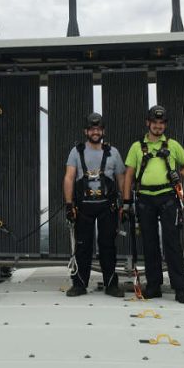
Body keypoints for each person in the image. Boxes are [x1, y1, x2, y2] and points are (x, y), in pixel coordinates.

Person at [122, 105, 184, 304]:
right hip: (144, 199)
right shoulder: (137, 147)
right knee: (150, 244)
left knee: (172, 243)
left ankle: (180, 288)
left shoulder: (173, 145)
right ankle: (154, 286)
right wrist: (126, 202)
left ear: (165, 125)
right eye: (155, 122)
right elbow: (128, 174)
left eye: (162, 123)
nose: (158, 126)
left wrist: (179, 174)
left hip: (168, 197)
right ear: (148, 123)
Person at [63, 112, 126, 297]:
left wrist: (125, 203)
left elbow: (121, 178)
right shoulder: (76, 151)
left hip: (108, 207)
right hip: (83, 207)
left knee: (108, 245)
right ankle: (79, 284)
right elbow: (69, 177)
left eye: (98, 129)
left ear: (103, 131)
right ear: (86, 131)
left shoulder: (113, 152)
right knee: (82, 245)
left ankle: (111, 285)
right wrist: (68, 204)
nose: (95, 132)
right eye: (92, 129)